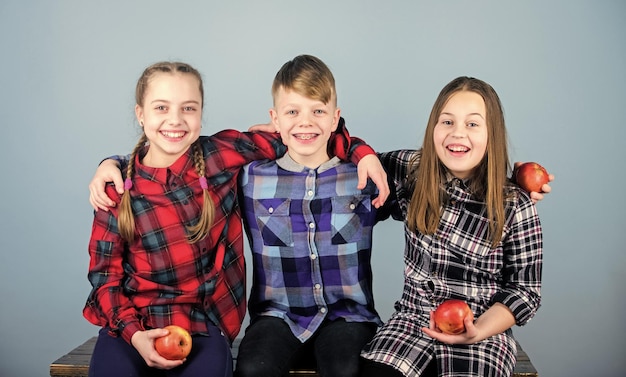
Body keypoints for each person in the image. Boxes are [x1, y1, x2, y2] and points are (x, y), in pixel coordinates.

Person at [83, 61, 388, 377]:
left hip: (201, 321)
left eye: (189, 108)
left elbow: (305, 137)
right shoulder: (117, 186)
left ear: (201, 114)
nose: (175, 119)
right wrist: (112, 162)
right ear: (140, 114)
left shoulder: (220, 157)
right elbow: (104, 276)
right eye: (161, 107)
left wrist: (362, 153)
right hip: (130, 323)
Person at [358, 76, 544, 377]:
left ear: (491, 134)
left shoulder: (515, 204)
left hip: (482, 333)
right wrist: (287, 132)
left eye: (473, 124)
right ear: (434, 127)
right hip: (412, 322)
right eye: (447, 122)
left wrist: (479, 329)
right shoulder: (413, 171)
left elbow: (525, 291)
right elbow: (356, 159)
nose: (458, 134)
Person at [234, 55, 383, 377]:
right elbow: (190, 163)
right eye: (292, 112)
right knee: (252, 368)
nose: (306, 122)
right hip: (278, 315)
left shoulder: (363, 176)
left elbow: (425, 174)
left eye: (318, 111)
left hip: (347, 316)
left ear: (335, 119)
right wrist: (115, 164)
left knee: (345, 369)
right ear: (275, 119)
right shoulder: (249, 178)